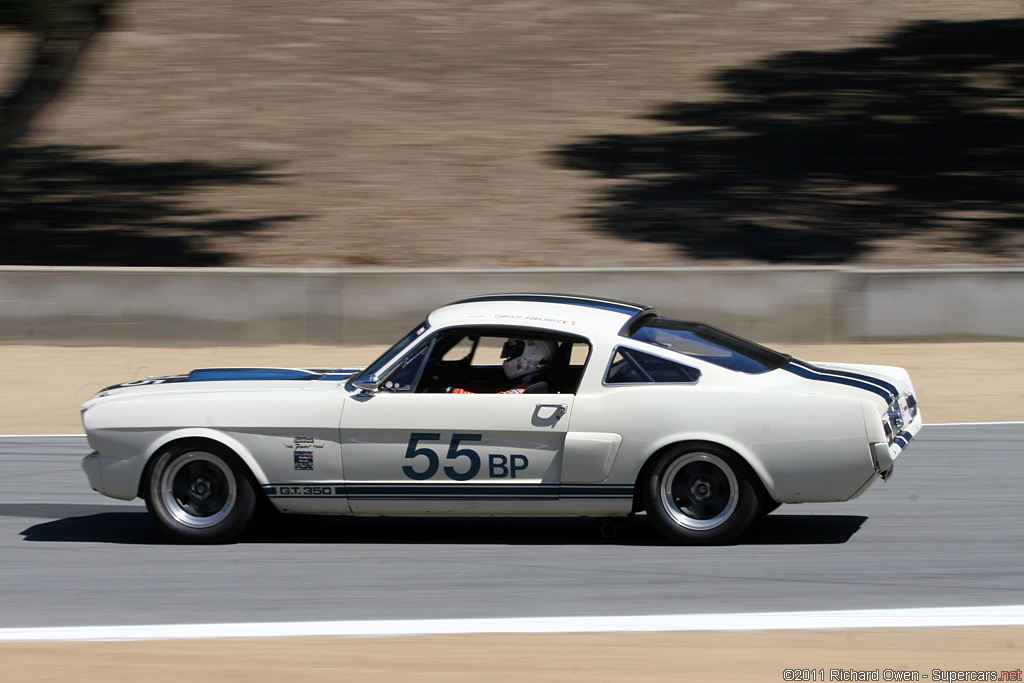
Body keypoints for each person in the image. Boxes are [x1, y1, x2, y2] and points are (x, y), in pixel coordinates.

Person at [448, 338, 556, 394]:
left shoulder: (531, 387)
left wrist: (452, 391)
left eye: (513, 352)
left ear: (532, 353)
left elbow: (493, 402)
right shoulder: (531, 381)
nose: (509, 357)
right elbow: (495, 395)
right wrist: (469, 385)